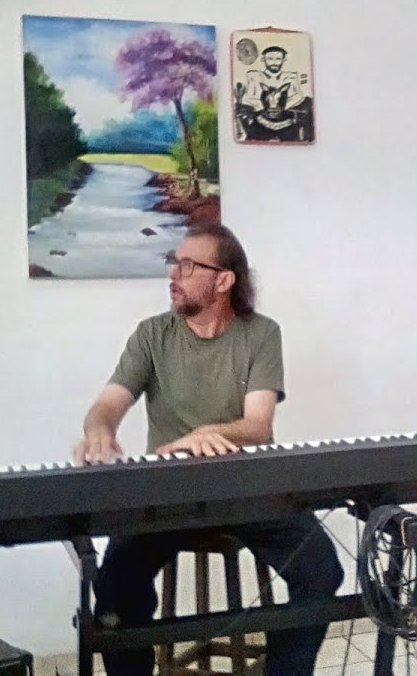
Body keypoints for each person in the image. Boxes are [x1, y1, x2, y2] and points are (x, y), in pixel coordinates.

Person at [76, 223, 342, 676]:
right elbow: (108, 404)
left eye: (187, 266)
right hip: (166, 491)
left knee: (321, 571)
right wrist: (98, 429)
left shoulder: (261, 334)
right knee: (115, 585)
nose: (172, 274)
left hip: (247, 487)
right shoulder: (152, 334)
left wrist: (204, 434)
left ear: (224, 280)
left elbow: (258, 426)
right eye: (173, 263)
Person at [235, 46, 313, 142]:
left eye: (278, 59)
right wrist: (267, 108)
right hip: (260, 120)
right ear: (263, 59)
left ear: (284, 59)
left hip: (286, 120)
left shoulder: (291, 76)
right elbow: (248, 98)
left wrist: (281, 108)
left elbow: (298, 96)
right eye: (270, 59)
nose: (274, 62)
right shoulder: (254, 76)